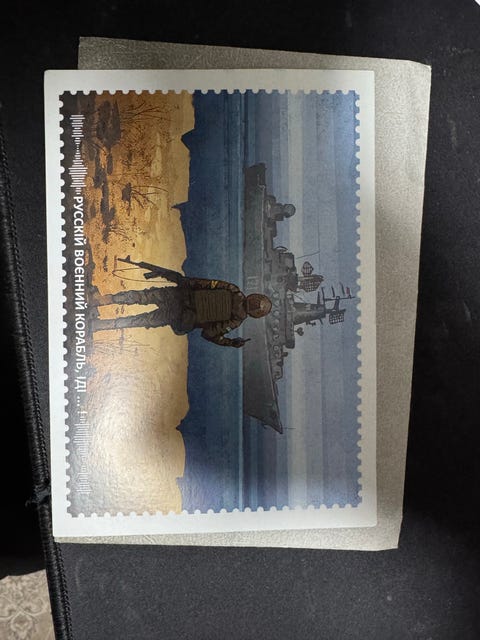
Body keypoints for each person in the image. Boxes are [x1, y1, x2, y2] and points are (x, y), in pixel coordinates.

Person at [91, 258, 272, 348]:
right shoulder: (236, 321)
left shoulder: (233, 289)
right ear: (255, 315)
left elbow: (202, 283)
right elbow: (208, 334)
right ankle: (99, 325)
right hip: (181, 316)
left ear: (253, 296)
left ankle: (101, 300)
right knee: (140, 321)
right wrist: (229, 342)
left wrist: (181, 280)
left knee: (141, 297)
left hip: (179, 295)